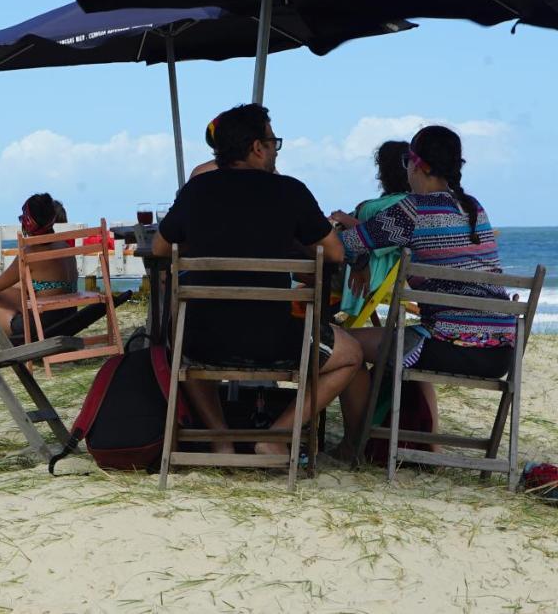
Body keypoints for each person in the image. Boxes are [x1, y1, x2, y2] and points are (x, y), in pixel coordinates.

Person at [152, 103, 364, 456]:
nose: (274, 150)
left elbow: (161, 247)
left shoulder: (196, 190)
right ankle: (276, 437)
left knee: (178, 339)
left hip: (202, 341)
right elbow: (336, 253)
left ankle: (221, 439)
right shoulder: (290, 191)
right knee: (351, 354)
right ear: (256, 147)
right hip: (277, 342)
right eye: (273, 142)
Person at [333, 126, 515, 451]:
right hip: (500, 353)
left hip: (449, 346)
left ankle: (354, 444)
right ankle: (421, 442)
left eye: (408, 161)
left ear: (419, 165)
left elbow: (346, 244)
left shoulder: (413, 209)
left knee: (346, 344)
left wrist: (348, 243)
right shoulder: (474, 208)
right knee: (412, 338)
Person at [0, 193, 78, 337]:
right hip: (67, 321)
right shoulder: (65, 247)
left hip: (39, 328)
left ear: (28, 222)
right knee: (14, 289)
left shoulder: (30, 252)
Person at [335, 140, 410, 319]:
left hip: (367, 274)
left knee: (302, 263)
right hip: (358, 263)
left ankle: (318, 329)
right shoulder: (399, 201)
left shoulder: (403, 206)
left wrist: (343, 218)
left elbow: (372, 234)